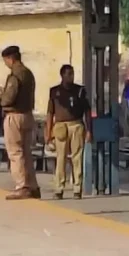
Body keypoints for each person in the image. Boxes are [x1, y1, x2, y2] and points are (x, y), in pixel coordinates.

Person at [0, 45, 38, 200]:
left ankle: (22, 186)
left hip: (14, 116)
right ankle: (32, 186)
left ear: (10, 59)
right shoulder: (28, 74)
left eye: (5, 60)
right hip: (27, 115)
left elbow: (9, 98)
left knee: (15, 152)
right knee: (26, 152)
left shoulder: (15, 75)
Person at [45, 65, 91, 200]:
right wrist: (48, 132)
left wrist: (89, 130)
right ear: (62, 75)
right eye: (68, 74)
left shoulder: (80, 90)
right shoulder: (54, 92)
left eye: (72, 73)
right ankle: (59, 188)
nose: (71, 76)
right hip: (60, 126)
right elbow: (50, 112)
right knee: (61, 158)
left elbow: (87, 111)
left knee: (77, 158)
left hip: (76, 124)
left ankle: (77, 188)